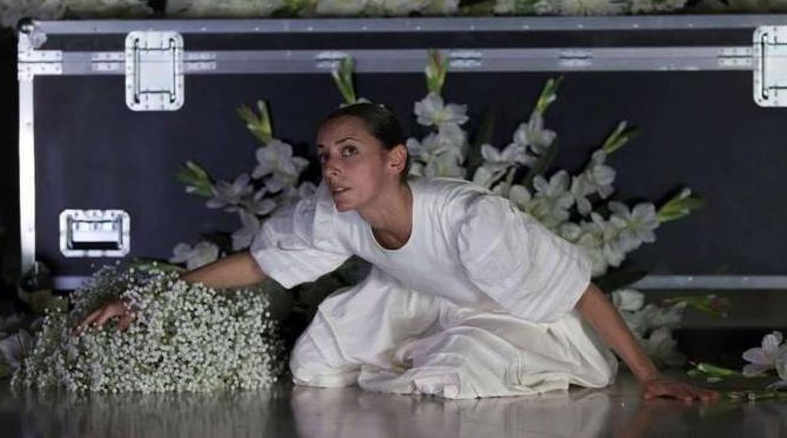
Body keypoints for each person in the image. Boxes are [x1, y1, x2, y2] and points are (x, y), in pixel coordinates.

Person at [77, 103, 718, 402]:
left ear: (396, 160)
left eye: (348, 152)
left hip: (509, 313)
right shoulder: (337, 214)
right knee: (315, 363)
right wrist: (147, 297)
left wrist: (648, 373)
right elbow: (256, 263)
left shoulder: (471, 219)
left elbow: (578, 290)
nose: (331, 168)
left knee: (453, 373)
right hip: (418, 303)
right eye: (324, 156)